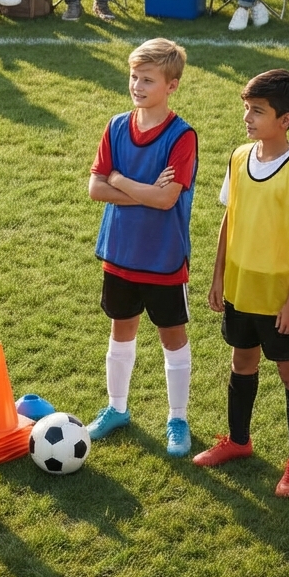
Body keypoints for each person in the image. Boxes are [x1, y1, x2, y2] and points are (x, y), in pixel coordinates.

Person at [197, 70, 289, 497]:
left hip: (279, 297)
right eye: (246, 108)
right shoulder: (238, 157)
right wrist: (218, 277)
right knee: (241, 363)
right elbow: (229, 219)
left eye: (258, 111)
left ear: (285, 119)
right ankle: (238, 440)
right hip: (241, 288)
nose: (248, 117)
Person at [86, 39, 198, 457]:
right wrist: (141, 188)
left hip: (163, 256)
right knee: (121, 330)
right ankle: (117, 409)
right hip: (120, 251)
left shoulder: (182, 136)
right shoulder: (117, 126)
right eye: (134, 76)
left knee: (173, 336)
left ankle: (178, 417)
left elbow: (167, 200)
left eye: (148, 79)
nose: (137, 85)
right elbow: (94, 188)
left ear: (171, 86)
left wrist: (118, 179)